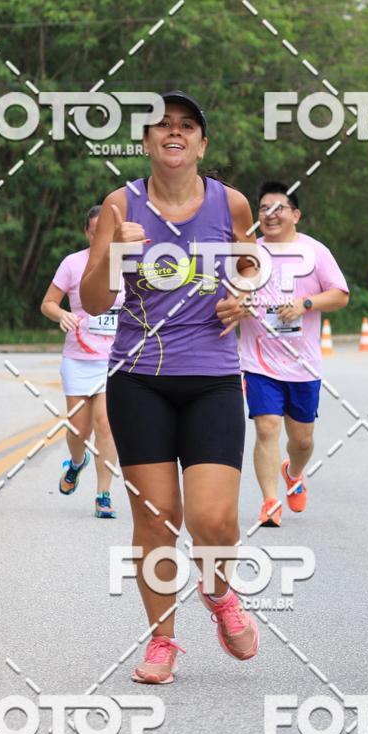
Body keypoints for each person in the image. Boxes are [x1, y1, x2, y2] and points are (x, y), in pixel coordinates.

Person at [80, 91, 260, 683]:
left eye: (187, 126)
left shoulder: (230, 204)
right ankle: (162, 643)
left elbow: (248, 266)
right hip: (139, 381)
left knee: (215, 522)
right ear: (147, 143)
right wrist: (116, 254)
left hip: (211, 380)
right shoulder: (119, 204)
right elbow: (95, 301)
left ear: (202, 144)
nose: (174, 133)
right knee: (156, 520)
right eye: (162, 126)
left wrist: (242, 299)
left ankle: (217, 591)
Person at [239, 181, 349, 527]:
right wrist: (237, 306)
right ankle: (270, 501)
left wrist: (305, 304)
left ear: (296, 215)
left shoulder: (315, 252)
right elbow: (228, 296)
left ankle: (295, 471)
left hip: (302, 366)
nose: (270, 215)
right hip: (257, 361)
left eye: (278, 208)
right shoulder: (248, 254)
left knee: (301, 440)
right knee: (267, 427)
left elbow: (340, 295)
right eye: (263, 209)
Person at [41, 205, 123, 518]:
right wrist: (61, 313)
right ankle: (76, 463)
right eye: (94, 229)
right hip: (77, 358)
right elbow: (47, 303)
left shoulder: (126, 264)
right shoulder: (73, 264)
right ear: (88, 232)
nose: (101, 234)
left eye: (108, 229)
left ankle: (103, 495)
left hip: (112, 360)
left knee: (106, 424)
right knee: (79, 429)